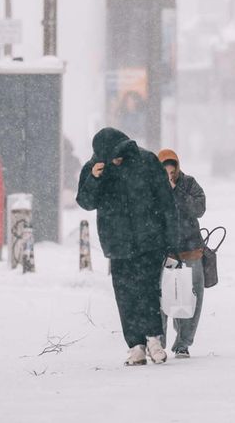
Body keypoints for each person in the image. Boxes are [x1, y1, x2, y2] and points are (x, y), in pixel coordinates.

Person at [76, 128, 179, 366]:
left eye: (118, 155)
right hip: (117, 243)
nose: (115, 160)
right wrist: (94, 178)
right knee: (125, 295)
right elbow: (85, 202)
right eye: (110, 157)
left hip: (149, 240)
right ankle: (135, 346)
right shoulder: (95, 167)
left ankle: (154, 339)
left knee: (148, 290)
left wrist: (172, 242)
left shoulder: (146, 161)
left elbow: (166, 202)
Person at [157, 148, 206, 359]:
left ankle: (184, 342)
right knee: (163, 297)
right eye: (165, 170)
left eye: (172, 169)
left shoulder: (189, 183)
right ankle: (158, 342)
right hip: (163, 251)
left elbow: (199, 208)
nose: (169, 174)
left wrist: (176, 191)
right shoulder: (153, 187)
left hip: (191, 249)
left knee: (192, 296)